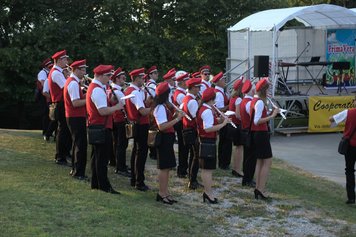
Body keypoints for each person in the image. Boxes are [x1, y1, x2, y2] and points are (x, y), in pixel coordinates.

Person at [86, 64, 122, 194]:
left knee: (97, 156)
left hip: (98, 126)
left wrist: (111, 100)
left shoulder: (97, 88)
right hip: (101, 126)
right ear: (100, 75)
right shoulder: (97, 89)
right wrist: (117, 107)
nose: (109, 78)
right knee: (102, 158)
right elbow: (102, 111)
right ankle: (103, 186)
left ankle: (96, 183)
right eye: (108, 76)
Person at [153, 82, 184, 204]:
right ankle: (161, 193)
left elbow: (167, 120)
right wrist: (177, 119)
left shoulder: (164, 106)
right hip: (164, 138)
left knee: (167, 167)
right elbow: (162, 126)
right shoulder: (160, 107)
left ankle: (166, 192)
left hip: (168, 138)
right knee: (164, 167)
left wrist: (176, 114)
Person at [197, 88, 229, 204]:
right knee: (207, 169)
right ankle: (208, 193)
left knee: (207, 169)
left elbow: (210, 122)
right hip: (207, 140)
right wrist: (223, 124)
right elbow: (208, 128)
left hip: (207, 140)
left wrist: (219, 120)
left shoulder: (205, 109)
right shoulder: (206, 111)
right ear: (212, 99)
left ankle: (208, 192)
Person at [250, 78, 279, 200]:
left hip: (257, 134)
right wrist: (272, 116)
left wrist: (268, 113)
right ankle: (260, 189)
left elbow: (258, 116)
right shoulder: (260, 102)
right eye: (267, 89)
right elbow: (257, 121)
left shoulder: (255, 100)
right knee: (267, 161)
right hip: (260, 134)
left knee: (260, 161)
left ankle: (258, 188)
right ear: (264, 90)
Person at [125, 68, 152, 191]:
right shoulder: (135, 92)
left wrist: (148, 102)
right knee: (141, 153)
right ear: (136, 79)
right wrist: (154, 105)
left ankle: (134, 179)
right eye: (142, 78)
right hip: (140, 124)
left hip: (136, 123)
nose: (144, 80)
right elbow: (142, 111)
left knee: (136, 151)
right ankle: (139, 181)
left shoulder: (130, 90)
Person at [63, 59, 88, 179]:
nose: (84, 72)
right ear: (76, 70)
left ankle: (75, 169)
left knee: (77, 143)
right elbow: (76, 103)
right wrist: (89, 98)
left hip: (74, 116)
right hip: (75, 117)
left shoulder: (74, 81)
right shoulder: (73, 83)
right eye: (83, 70)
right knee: (80, 144)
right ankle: (79, 173)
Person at [329, 96, 356, 204]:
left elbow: (332, 119)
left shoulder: (348, 112)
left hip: (351, 146)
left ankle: (351, 197)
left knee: (349, 170)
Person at [48, 50, 71, 165]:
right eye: (65, 59)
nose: (67, 62)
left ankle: (65, 153)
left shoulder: (59, 71)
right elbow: (66, 86)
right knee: (62, 130)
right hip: (60, 103)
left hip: (62, 103)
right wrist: (70, 77)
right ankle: (60, 156)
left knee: (65, 130)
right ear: (59, 60)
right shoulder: (56, 73)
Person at [182, 77, 203, 189]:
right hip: (192, 130)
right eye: (198, 87)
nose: (199, 89)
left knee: (193, 155)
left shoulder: (186, 98)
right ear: (193, 88)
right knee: (196, 156)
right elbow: (196, 118)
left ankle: (191, 178)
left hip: (187, 129)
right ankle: (192, 180)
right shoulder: (192, 101)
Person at [111, 67, 130, 177]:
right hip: (119, 120)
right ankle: (120, 167)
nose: (125, 79)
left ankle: (119, 164)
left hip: (116, 119)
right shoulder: (117, 91)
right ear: (117, 78)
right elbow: (125, 105)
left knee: (118, 143)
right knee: (121, 144)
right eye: (123, 77)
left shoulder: (115, 89)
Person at [212, 72, 232, 170]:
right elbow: (219, 109)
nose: (225, 81)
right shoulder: (219, 94)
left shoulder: (222, 92)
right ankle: (224, 163)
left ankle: (223, 162)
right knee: (225, 142)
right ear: (219, 81)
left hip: (223, 119)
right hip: (222, 119)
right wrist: (230, 105)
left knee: (224, 142)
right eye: (223, 80)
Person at [173, 72, 189, 178]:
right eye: (186, 80)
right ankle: (182, 170)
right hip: (181, 122)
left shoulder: (183, 93)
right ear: (182, 82)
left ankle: (183, 168)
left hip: (182, 121)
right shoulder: (180, 94)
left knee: (185, 146)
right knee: (183, 147)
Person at [240, 80, 256, 187]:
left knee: (247, 156)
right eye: (253, 88)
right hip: (249, 131)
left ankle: (247, 177)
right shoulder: (249, 102)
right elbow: (254, 117)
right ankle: (248, 178)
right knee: (251, 157)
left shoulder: (244, 101)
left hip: (245, 130)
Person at [229, 78, 244, 177]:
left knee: (236, 148)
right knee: (239, 148)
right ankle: (238, 169)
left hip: (232, 125)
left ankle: (235, 167)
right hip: (238, 125)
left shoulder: (232, 98)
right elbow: (238, 114)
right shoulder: (238, 99)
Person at [37, 58, 53, 137]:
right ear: (46, 66)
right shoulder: (42, 73)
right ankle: (45, 131)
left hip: (48, 94)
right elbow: (43, 84)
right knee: (45, 114)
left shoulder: (49, 72)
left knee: (50, 114)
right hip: (43, 95)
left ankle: (48, 131)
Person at [146, 66, 159, 160]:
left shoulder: (152, 84)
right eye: (154, 73)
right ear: (150, 75)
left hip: (152, 109)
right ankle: (153, 152)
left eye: (157, 73)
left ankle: (153, 151)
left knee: (153, 130)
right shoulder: (151, 85)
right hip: (152, 109)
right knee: (153, 130)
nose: (157, 74)